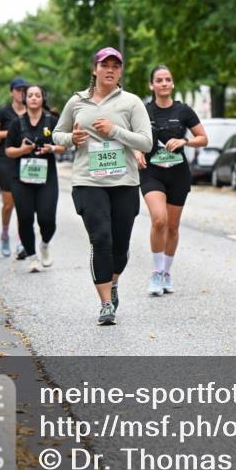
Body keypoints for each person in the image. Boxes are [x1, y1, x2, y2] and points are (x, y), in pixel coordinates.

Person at [52, 47, 152, 326]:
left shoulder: (132, 102)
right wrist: (72, 138)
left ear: (120, 71)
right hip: (88, 181)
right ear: (94, 69)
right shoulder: (77, 102)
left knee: (120, 245)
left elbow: (146, 142)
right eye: (104, 64)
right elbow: (59, 134)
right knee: (101, 239)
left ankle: (114, 281)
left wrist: (115, 131)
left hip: (123, 182)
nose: (110, 69)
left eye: (115, 66)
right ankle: (106, 304)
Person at [133, 65, 208, 296]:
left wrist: (185, 142)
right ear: (151, 85)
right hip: (151, 171)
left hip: (177, 173)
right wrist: (136, 152)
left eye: (168, 79)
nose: (164, 83)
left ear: (172, 84)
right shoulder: (143, 111)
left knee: (173, 227)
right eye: (159, 80)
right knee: (159, 220)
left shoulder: (184, 110)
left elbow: (203, 138)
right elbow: (131, 138)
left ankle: (166, 272)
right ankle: (156, 272)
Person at [4, 85, 65, 273]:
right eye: (30, 95)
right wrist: (22, 150)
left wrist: (51, 148)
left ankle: (45, 244)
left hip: (47, 177)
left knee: (47, 218)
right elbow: (8, 151)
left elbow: (64, 146)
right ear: (24, 98)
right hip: (22, 178)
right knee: (25, 217)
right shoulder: (16, 123)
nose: (33, 98)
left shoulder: (52, 121)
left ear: (42, 99)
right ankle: (31, 257)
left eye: (37, 95)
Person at [0, 77, 28, 257]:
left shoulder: (31, 111)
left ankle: (21, 242)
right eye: (18, 89)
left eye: (24, 89)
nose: (21, 92)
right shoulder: (3, 112)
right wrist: (10, 132)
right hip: (5, 160)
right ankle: (4, 235)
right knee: (9, 204)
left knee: (23, 204)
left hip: (27, 160)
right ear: (12, 92)